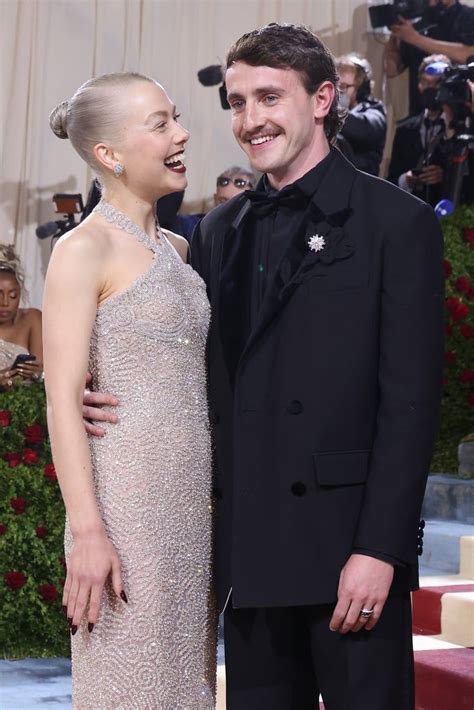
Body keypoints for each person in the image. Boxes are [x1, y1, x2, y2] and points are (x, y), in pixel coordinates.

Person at [84, 24, 444, 709]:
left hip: (348, 553)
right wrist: (99, 392)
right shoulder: (219, 231)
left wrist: (381, 551)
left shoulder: (397, 223)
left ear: (322, 100)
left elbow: (410, 406)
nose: (250, 120)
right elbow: (194, 368)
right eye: (238, 102)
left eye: (269, 98)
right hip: (249, 554)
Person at [43, 72, 216, 708]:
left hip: (190, 511)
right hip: (123, 510)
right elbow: (62, 398)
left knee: (182, 686)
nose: (182, 133)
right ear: (108, 155)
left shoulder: (178, 247)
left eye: (175, 118)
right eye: (161, 123)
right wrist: (87, 532)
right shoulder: (81, 249)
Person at [384, 0, 474, 115]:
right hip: (420, 113)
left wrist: (416, 39)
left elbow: (469, 55)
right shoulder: (419, 23)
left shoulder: (468, 17)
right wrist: (395, 33)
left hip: (457, 111)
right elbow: (392, 69)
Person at [387, 54, 451, 206]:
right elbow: (391, 179)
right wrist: (406, 180)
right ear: (419, 85)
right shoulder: (405, 128)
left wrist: (445, 175)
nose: (431, 89)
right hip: (412, 212)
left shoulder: (460, 126)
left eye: (437, 83)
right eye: (425, 82)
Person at [335, 54, 387, 175]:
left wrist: (332, 111)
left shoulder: (375, 109)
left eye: (343, 87)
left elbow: (364, 129)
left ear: (361, 87)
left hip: (361, 184)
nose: (338, 92)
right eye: (336, 86)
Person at [0, 245, 43, 389]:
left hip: (28, 405)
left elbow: (46, 371)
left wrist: (38, 372)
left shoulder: (32, 319)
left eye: (13, 296)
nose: (5, 303)